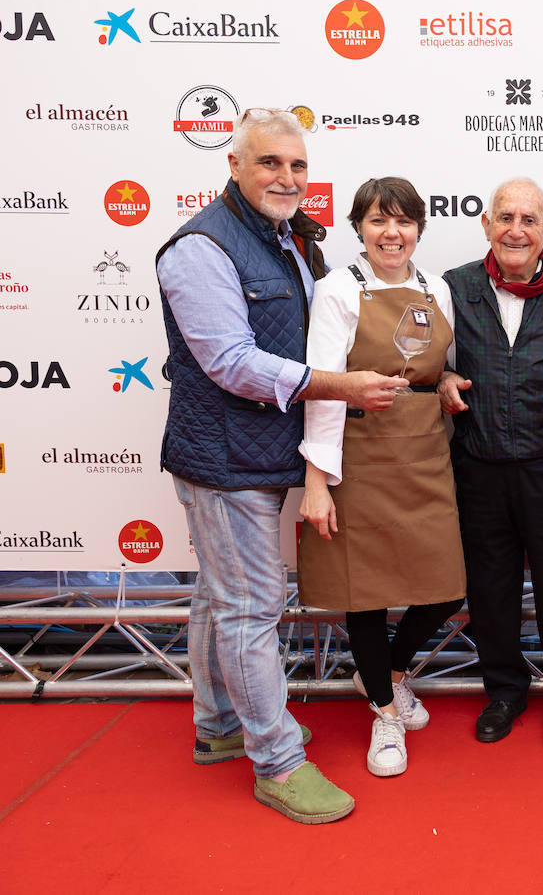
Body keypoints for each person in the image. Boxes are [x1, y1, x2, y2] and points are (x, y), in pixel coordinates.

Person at [157, 108, 406, 824]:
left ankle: (217, 727)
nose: (287, 178)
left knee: (219, 598)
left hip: (259, 454)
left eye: (298, 165)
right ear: (233, 164)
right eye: (270, 163)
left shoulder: (283, 238)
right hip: (224, 459)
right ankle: (276, 761)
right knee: (248, 608)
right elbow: (233, 364)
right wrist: (343, 387)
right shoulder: (200, 247)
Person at [297, 177, 466, 778]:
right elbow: (319, 388)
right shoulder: (338, 290)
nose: (392, 233)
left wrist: (444, 381)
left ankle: (384, 676)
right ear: (358, 228)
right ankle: (385, 711)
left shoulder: (436, 288)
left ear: (420, 227)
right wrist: (317, 480)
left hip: (425, 452)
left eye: (403, 222)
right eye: (377, 222)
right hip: (359, 450)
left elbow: (438, 366)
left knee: (446, 587)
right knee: (363, 593)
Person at [436, 178, 543, 752]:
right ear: (486, 225)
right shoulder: (453, 288)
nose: (516, 229)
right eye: (505, 217)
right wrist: (442, 377)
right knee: (490, 589)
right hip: (479, 465)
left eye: (529, 219)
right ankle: (503, 691)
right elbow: (425, 358)